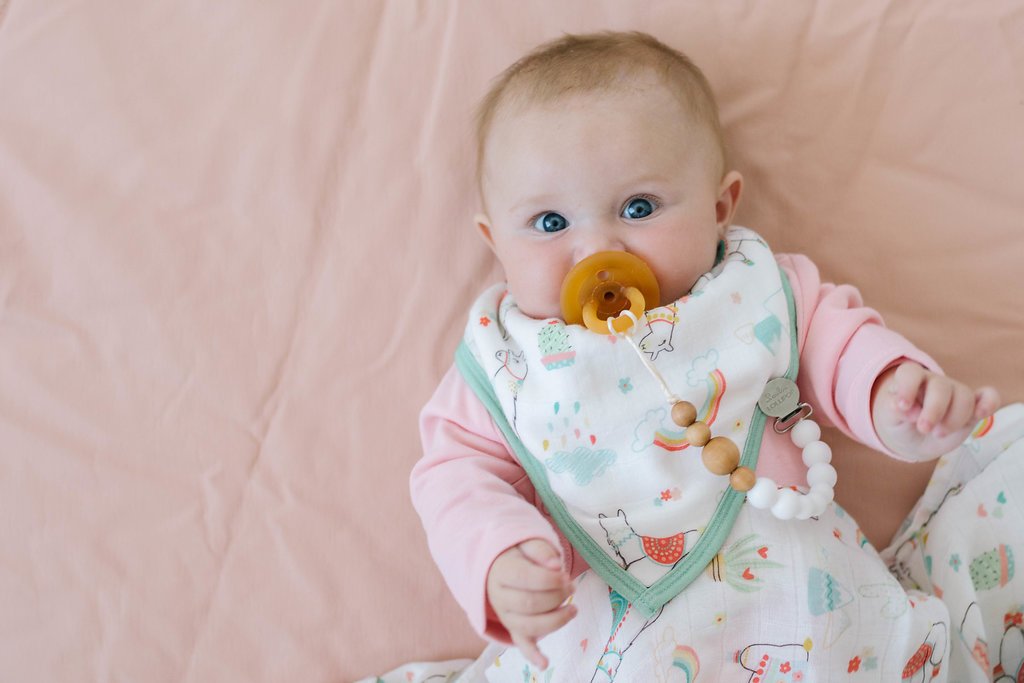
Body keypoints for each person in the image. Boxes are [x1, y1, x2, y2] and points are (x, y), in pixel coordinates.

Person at [410, 31, 1016, 681]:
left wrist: (896, 395)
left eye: (638, 207)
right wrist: (496, 554)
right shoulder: (505, 362)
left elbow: (844, 350)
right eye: (551, 223)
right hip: (616, 653)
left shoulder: (757, 294)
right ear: (494, 240)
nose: (596, 251)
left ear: (721, 206)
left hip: (824, 632)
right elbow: (454, 475)